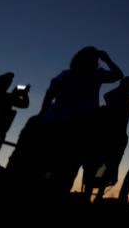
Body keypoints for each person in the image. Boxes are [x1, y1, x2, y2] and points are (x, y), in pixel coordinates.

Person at [40, 47, 123, 193]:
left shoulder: (66, 75)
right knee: (67, 169)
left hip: (57, 123)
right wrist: (107, 59)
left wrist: (42, 114)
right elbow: (118, 75)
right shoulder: (96, 75)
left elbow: (50, 94)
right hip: (77, 128)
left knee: (50, 165)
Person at [0, 72, 30, 168]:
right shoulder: (8, 97)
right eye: (7, 83)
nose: (8, 85)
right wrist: (24, 93)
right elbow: (25, 104)